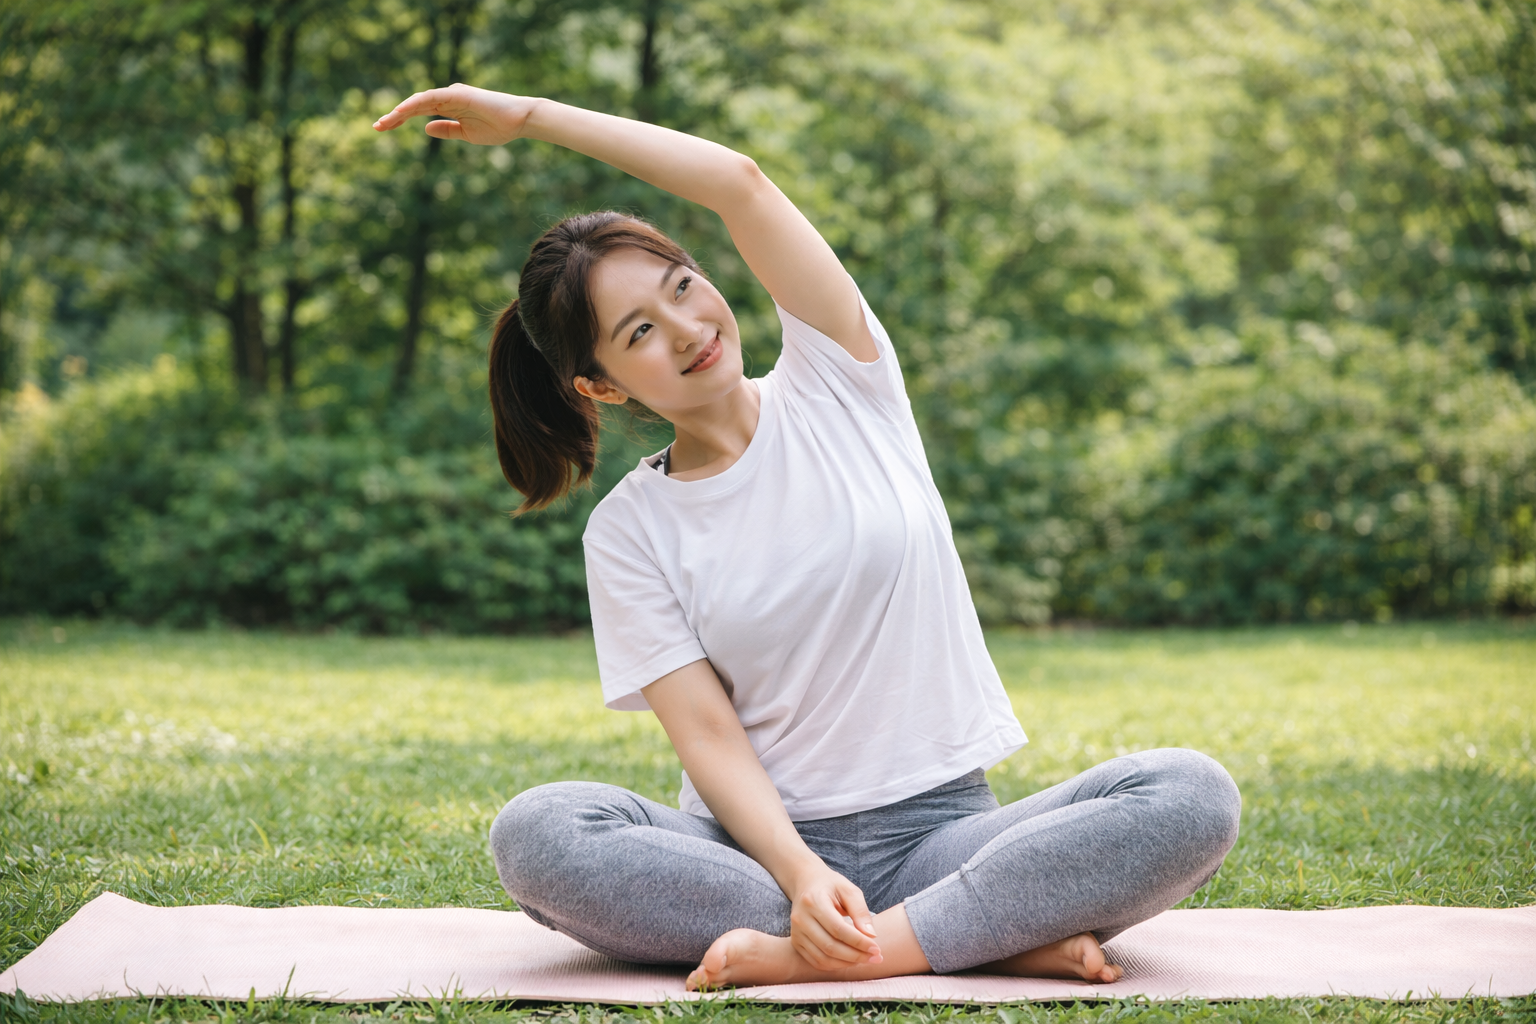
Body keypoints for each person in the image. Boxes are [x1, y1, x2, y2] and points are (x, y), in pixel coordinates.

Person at [372, 84, 1241, 991]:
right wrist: (799, 875)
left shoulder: (842, 376)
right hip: (747, 864)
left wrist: (531, 120)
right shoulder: (629, 530)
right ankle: (975, 934)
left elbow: (739, 183)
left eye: (681, 287)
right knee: (540, 831)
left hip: (943, 839)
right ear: (602, 387)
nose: (687, 328)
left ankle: (856, 950)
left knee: (1188, 792)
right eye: (639, 332)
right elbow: (706, 737)